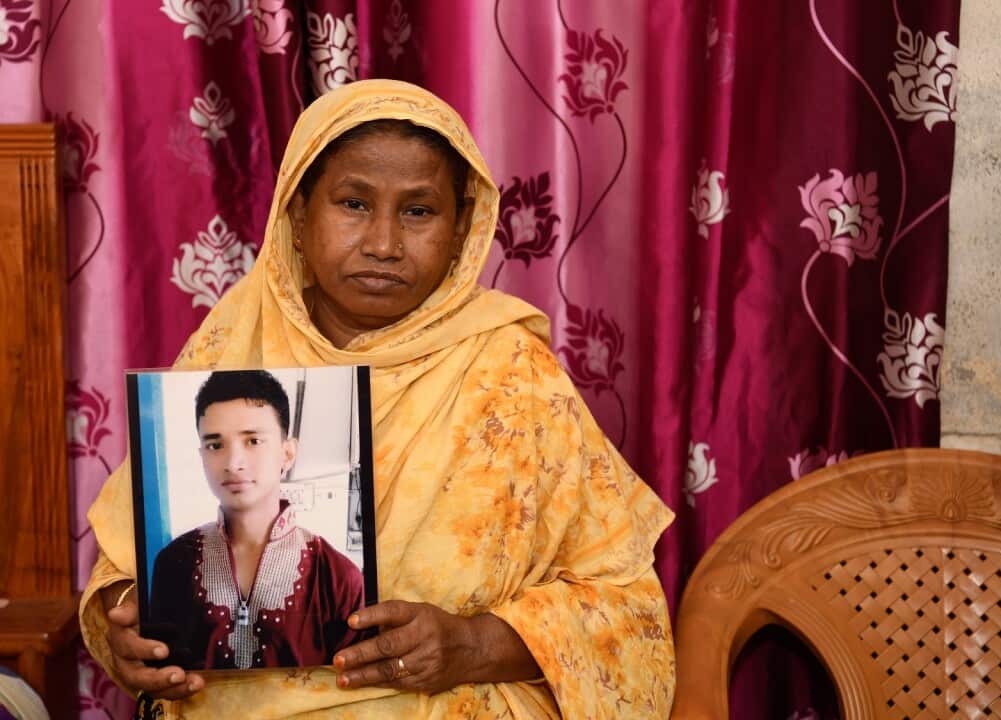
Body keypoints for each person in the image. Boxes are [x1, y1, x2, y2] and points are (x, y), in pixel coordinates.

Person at [82, 79, 675, 719]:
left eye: (419, 211)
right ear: (299, 217)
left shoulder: (510, 370)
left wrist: (473, 644)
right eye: (354, 203)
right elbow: (121, 577)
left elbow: (624, 606)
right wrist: (130, 635)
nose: (385, 243)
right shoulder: (233, 346)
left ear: (460, 232)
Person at [145, 369, 366, 670]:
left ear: (287, 455)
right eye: (215, 445)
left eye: (253, 441)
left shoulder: (339, 577)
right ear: (202, 456)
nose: (234, 463)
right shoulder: (173, 563)